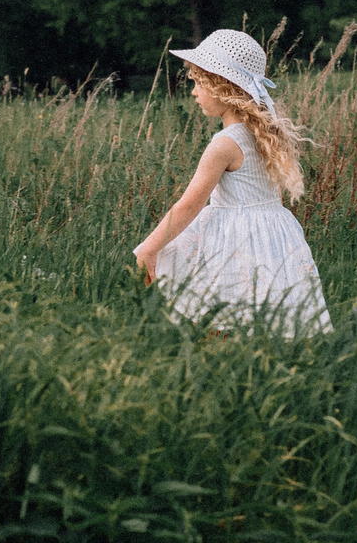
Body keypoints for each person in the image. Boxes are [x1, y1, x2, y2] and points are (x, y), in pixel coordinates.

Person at [132, 28, 331, 335]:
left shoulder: (224, 144)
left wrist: (149, 248)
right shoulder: (261, 133)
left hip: (238, 237)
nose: (194, 92)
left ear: (223, 87)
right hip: (274, 235)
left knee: (223, 319)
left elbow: (190, 204)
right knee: (265, 319)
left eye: (199, 83)